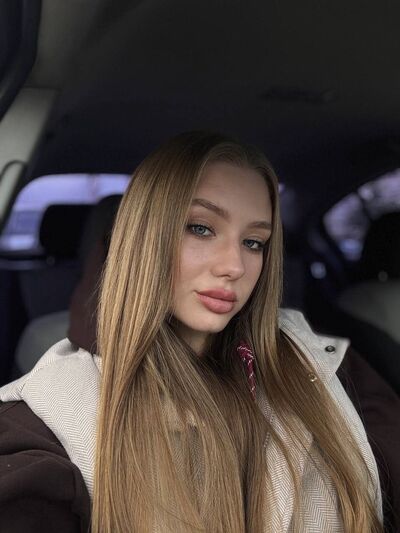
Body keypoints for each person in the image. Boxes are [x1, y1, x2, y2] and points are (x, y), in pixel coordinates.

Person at [0, 132, 384, 532]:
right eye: (200, 228)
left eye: (254, 242)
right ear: (144, 236)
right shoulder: (49, 413)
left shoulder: (321, 361)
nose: (234, 265)